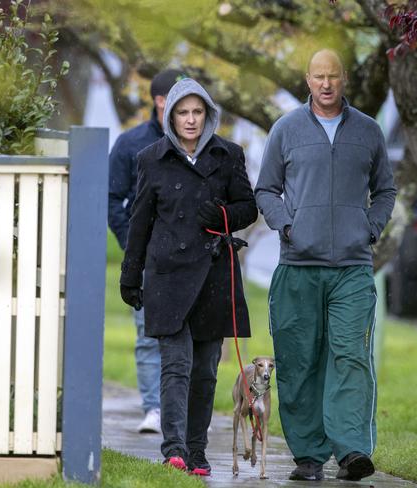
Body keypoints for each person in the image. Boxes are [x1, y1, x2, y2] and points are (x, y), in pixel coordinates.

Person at [254, 49, 396, 482]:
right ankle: (309, 456)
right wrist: (287, 227)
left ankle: (352, 450)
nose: (326, 84)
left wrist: (370, 228)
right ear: (307, 79)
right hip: (298, 266)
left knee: (351, 356)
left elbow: (386, 191)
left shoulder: (368, 132)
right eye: (319, 77)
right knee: (299, 361)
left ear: (344, 78)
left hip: (352, 267)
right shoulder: (286, 130)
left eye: (333, 76)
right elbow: (266, 190)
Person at [119, 77, 258, 475]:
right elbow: (140, 221)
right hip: (168, 278)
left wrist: (224, 216)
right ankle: (174, 450)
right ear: (170, 115)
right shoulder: (151, 158)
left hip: (214, 275)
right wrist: (131, 276)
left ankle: (197, 452)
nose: (191, 120)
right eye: (183, 112)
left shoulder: (229, 154)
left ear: (209, 114)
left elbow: (248, 208)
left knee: (205, 371)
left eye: (198, 112)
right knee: (175, 366)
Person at [108, 69, 185, 434]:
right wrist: (133, 246)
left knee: (192, 337)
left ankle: (183, 411)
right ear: (159, 101)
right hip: (148, 260)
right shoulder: (130, 144)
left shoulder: (200, 145)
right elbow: (113, 200)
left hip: (190, 259)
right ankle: (154, 409)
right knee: (147, 335)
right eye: (179, 98)